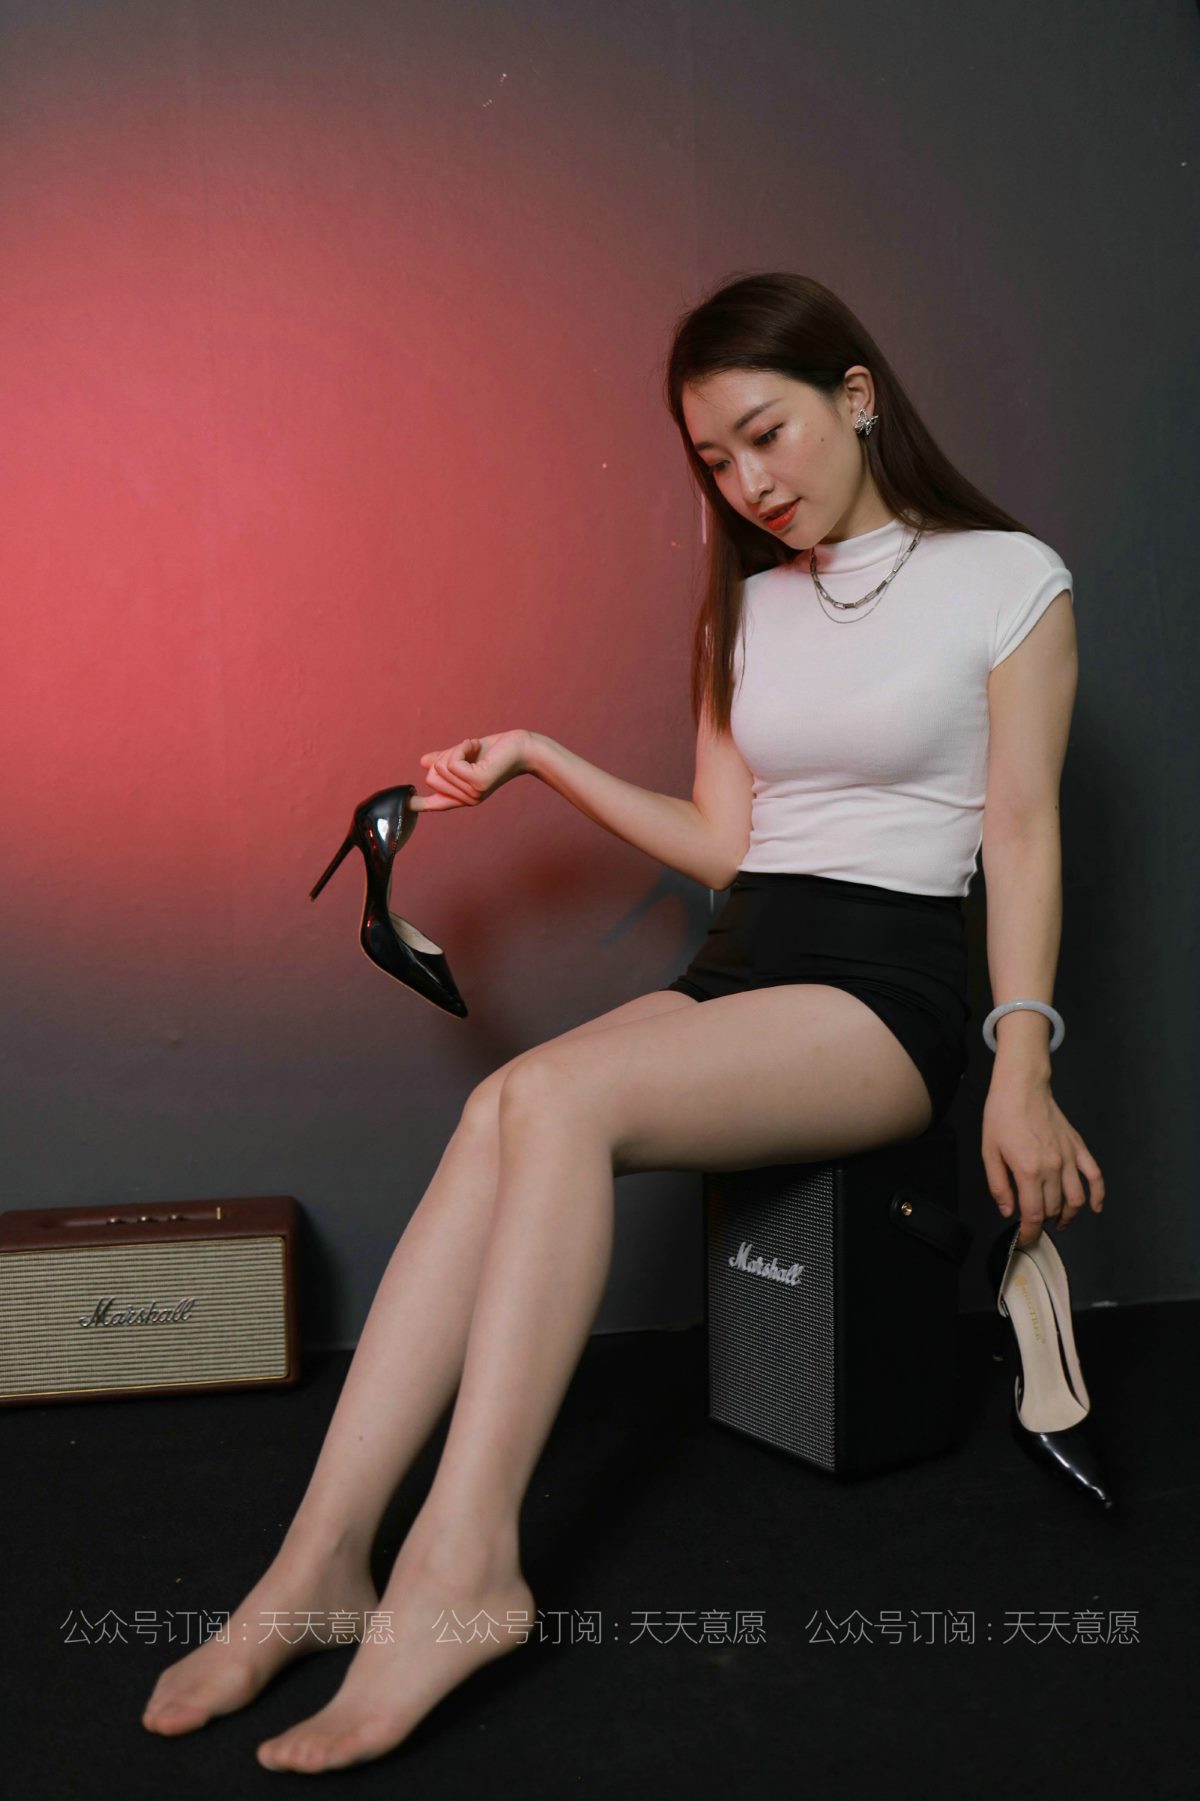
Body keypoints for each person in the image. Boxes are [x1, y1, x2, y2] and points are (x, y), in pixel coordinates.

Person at [141, 272, 1104, 1771]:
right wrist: (540, 756)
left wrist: (1021, 1061)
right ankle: (318, 1562)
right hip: (747, 959)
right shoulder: (748, 606)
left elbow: (1025, 828)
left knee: (555, 1100)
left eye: (767, 434)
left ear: (857, 396)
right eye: (715, 461)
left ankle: (464, 1566)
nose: (750, 482)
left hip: (889, 988)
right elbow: (728, 842)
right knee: (502, 1105)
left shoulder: (1007, 577)